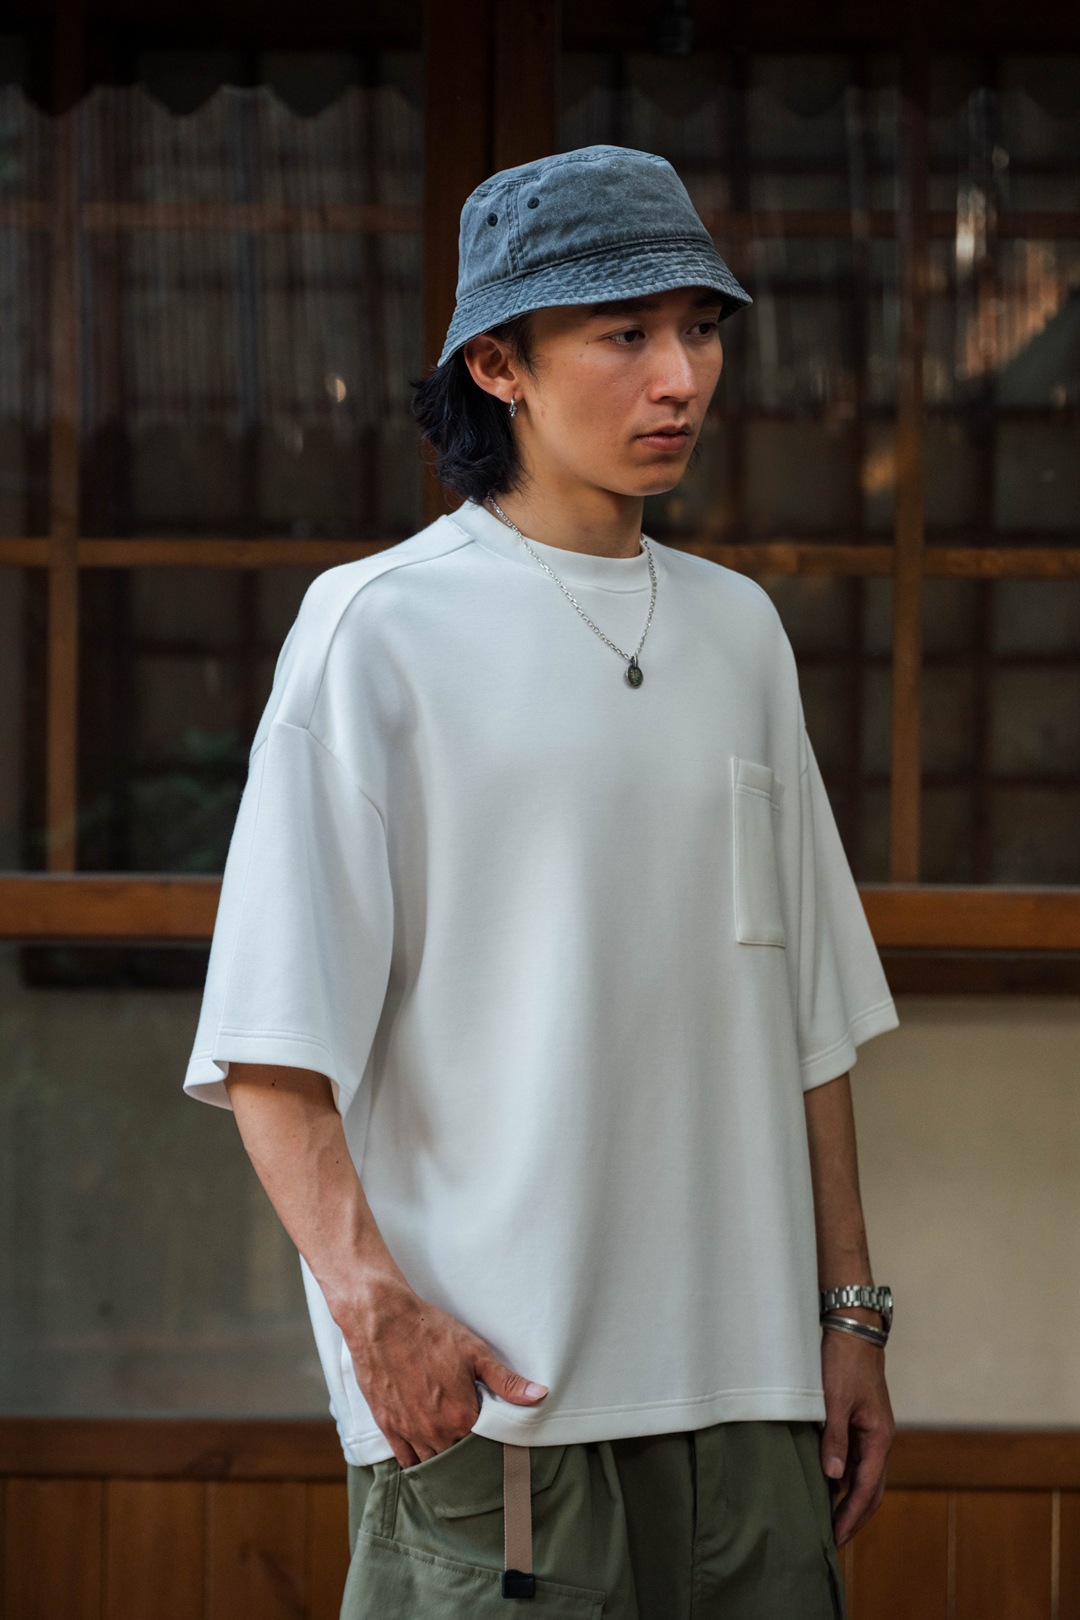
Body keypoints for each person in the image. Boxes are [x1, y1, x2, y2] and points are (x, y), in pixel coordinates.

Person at [182, 144, 900, 1618]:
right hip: (501, 1398)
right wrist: (376, 1313)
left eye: (700, 328)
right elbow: (270, 1047)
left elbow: (810, 1023)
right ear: (498, 364)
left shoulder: (741, 634)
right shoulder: (374, 630)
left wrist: (852, 1317)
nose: (680, 378)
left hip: (754, 1395)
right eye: (624, 334)